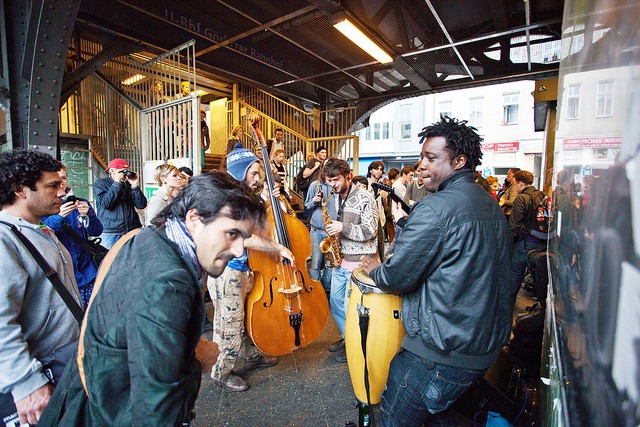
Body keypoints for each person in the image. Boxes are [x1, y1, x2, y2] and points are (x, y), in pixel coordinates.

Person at [40, 172, 270, 425]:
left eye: (244, 238)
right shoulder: (168, 284)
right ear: (194, 218)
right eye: (232, 234)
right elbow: (156, 414)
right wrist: (196, 364)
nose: (239, 250)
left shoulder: (150, 236)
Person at [360, 116, 512, 426]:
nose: (421, 165)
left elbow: (396, 277)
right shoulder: (490, 205)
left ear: (459, 160)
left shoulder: (435, 208)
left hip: (437, 353)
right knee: (437, 415)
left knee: (394, 419)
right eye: (421, 157)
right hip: (479, 347)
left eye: (431, 158)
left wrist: (377, 269)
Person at [0, 150, 82, 426]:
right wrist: (26, 383)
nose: (61, 192)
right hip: (38, 385)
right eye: (51, 186)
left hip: (62, 367)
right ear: (19, 190)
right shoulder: (4, 240)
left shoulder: (40, 229)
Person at [207, 144, 294, 392]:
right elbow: (243, 237)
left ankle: (251, 355)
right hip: (228, 270)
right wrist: (277, 248)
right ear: (238, 173)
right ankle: (222, 371)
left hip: (247, 268)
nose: (258, 178)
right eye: (253, 173)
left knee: (249, 314)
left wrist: (271, 201)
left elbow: (261, 225)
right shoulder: (227, 199)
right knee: (229, 323)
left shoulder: (246, 195)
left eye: (259, 173)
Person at [323, 157, 379, 363]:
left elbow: (371, 230)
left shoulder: (365, 197)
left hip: (359, 262)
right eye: (329, 181)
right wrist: (335, 236)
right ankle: (348, 336)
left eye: (336, 180)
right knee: (336, 302)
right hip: (341, 260)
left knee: (350, 306)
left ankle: (355, 345)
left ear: (348, 176)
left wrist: (342, 228)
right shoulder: (336, 197)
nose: (333, 185)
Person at [42, 163, 103, 307]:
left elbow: (97, 231)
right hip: (64, 275)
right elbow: (40, 234)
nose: (60, 183)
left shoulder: (81, 202)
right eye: (54, 181)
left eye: (63, 178)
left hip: (87, 270)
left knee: (94, 310)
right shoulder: (43, 208)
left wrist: (88, 216)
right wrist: (59, 216)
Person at [509, 170, 547, 300]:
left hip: (525, 243)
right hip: (542, 243)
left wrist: (509, 242)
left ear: (520, 183)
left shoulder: (521, 198)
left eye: (514, 184)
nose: (514, 187)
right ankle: (541, 305)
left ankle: (508, 304)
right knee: (538, 275)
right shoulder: (542, 195)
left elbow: (514, 225)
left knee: (515, 274)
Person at [93, 158, 147, 249]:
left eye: (126, 171)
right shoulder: (101, 183)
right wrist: (117, 183)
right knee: (109, 260)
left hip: (132, 229)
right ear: (112, 171)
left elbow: (141, 205)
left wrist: (135, 186)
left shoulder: (128, 185)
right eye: (122, 171)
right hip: (111, 232)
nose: (125, 174)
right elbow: (106, 204)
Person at [304, 173, 338, 293]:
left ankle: (326, 290)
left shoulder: (337, 186)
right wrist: (313, 201)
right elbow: (306, 205)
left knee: (330, 264)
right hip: (316, 230)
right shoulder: (315, 185)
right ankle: (315, 292)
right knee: (315, 263)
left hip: (332, 232)